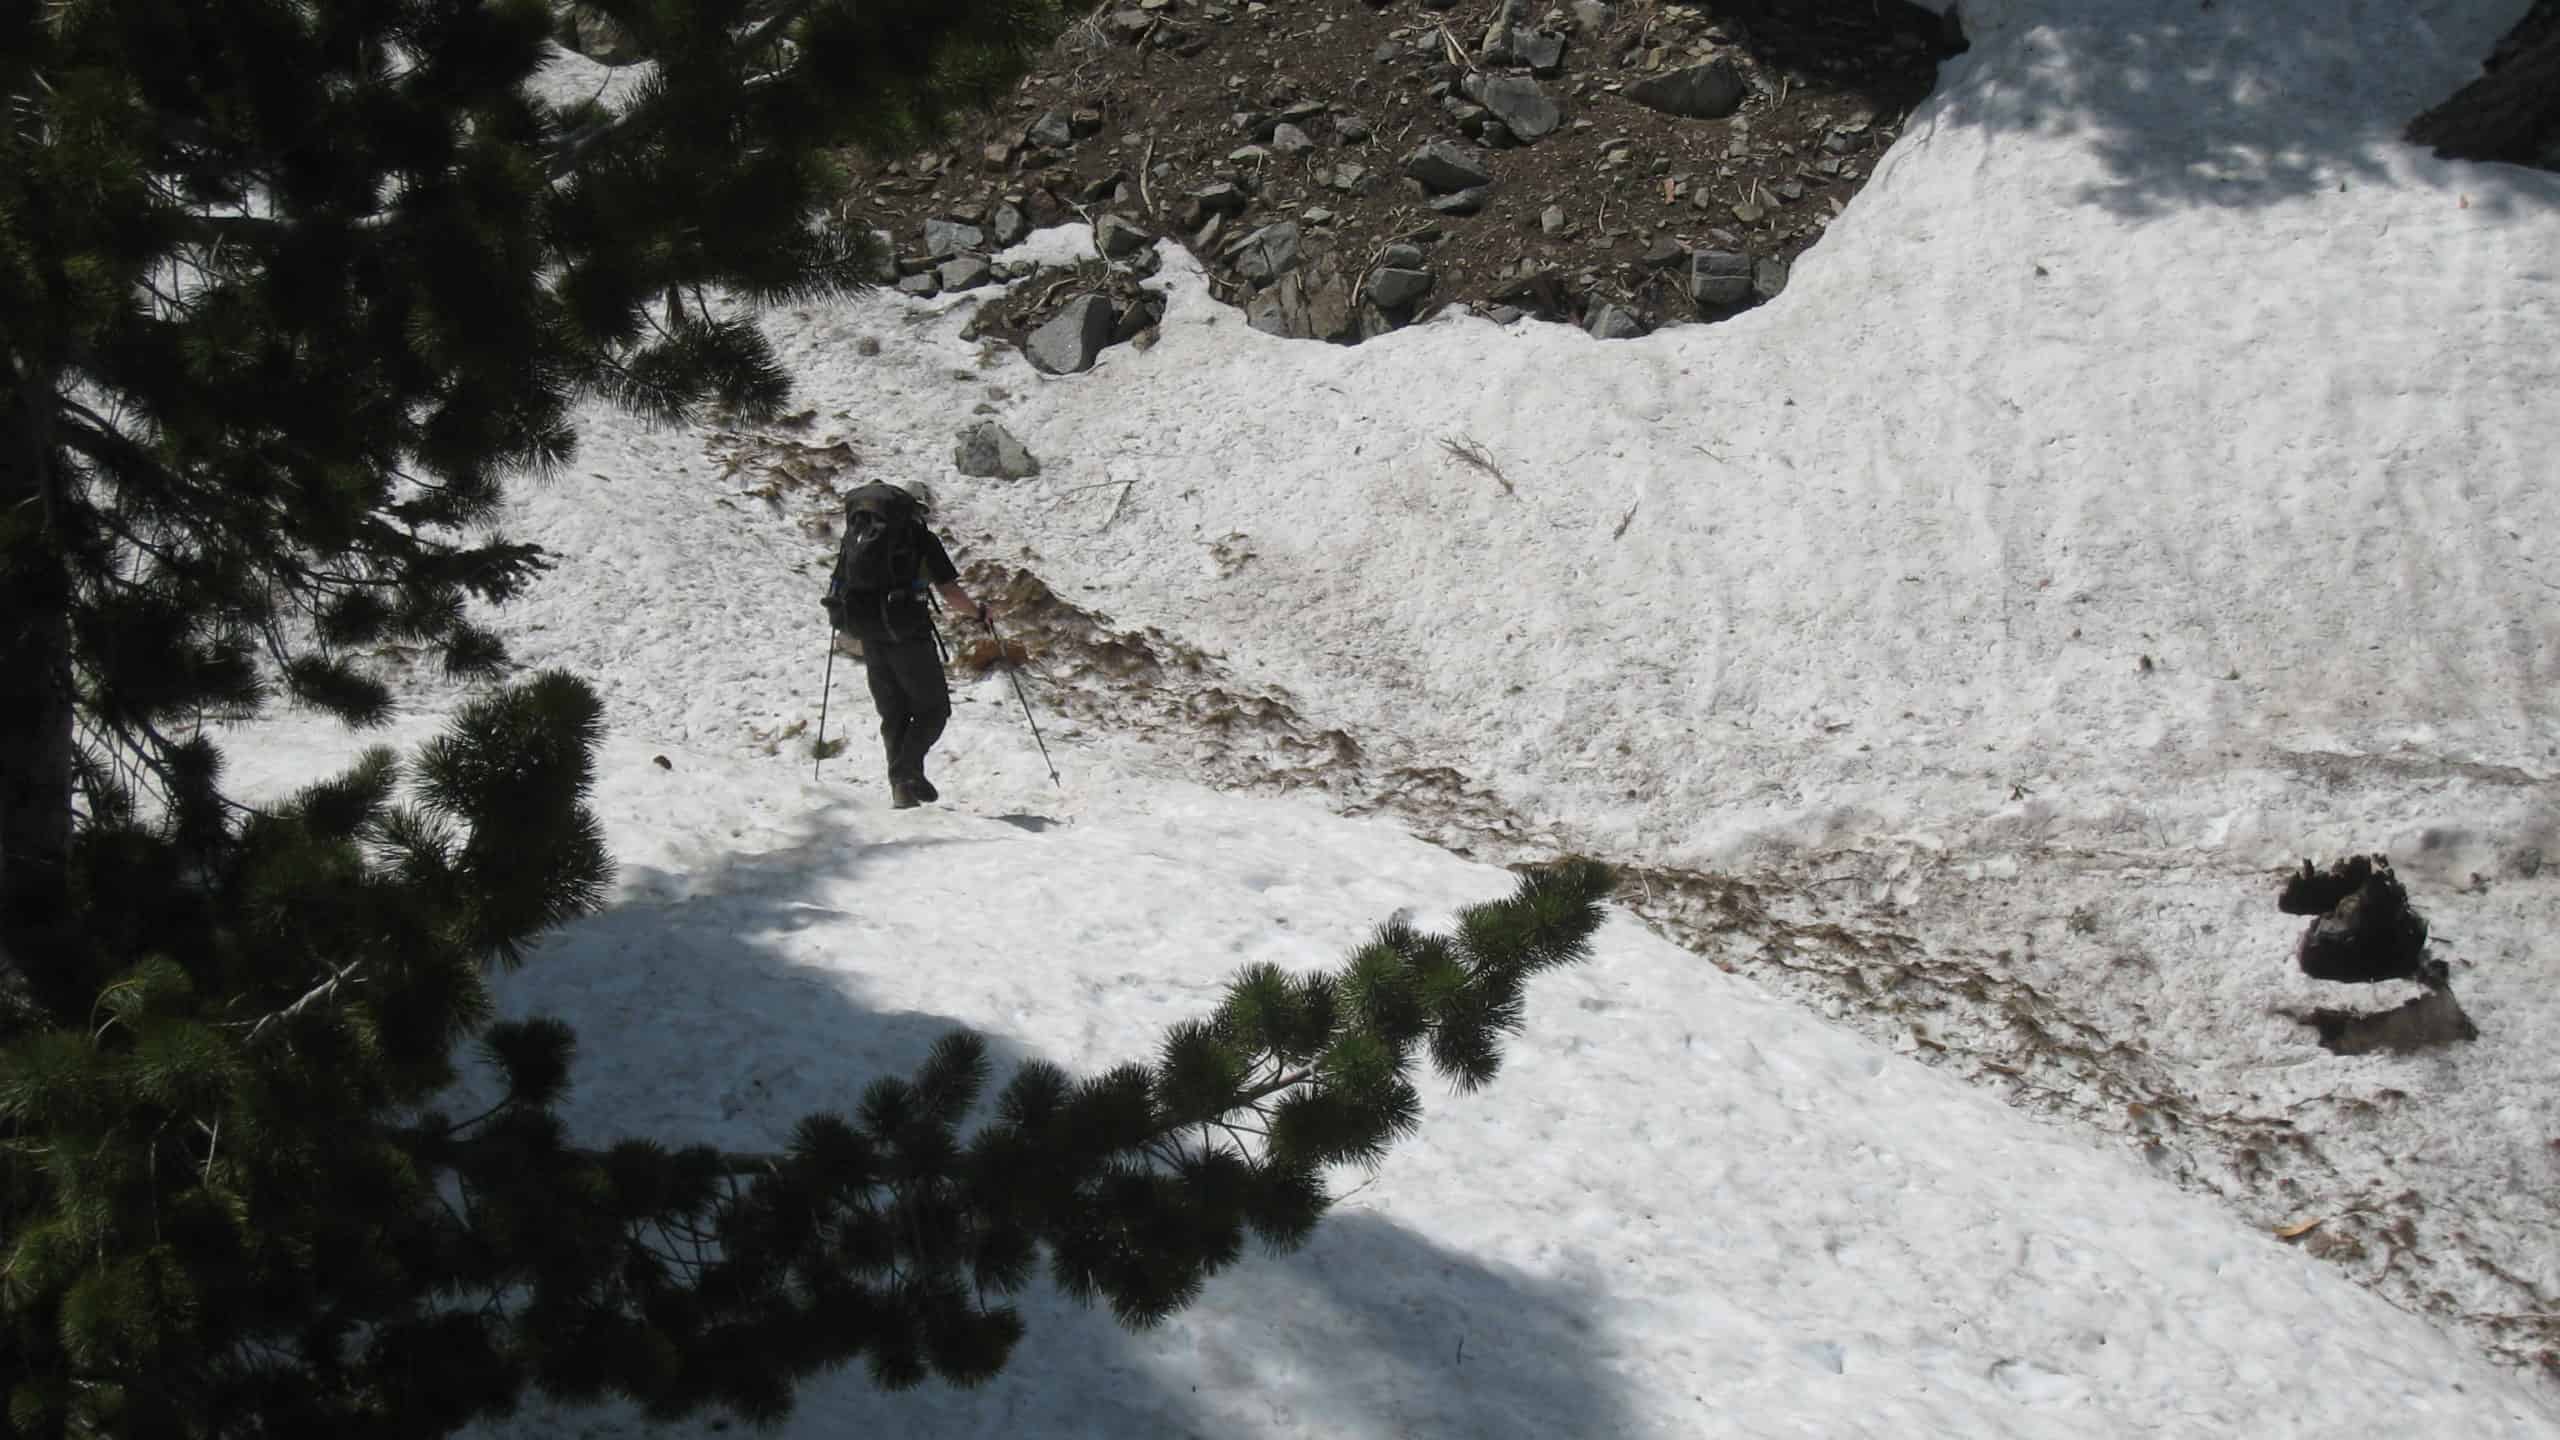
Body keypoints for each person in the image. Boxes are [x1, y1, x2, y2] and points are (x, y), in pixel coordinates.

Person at [822, 482, 984, 809]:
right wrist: (979, 613)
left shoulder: (856, 536)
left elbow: (839, 582)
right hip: (907, 633)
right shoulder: (919, 538)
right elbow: (951, 594)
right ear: (915, 510)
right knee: (934, 709)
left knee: (894, 714)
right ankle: (907, 769)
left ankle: (902, 791)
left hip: (868, 632)